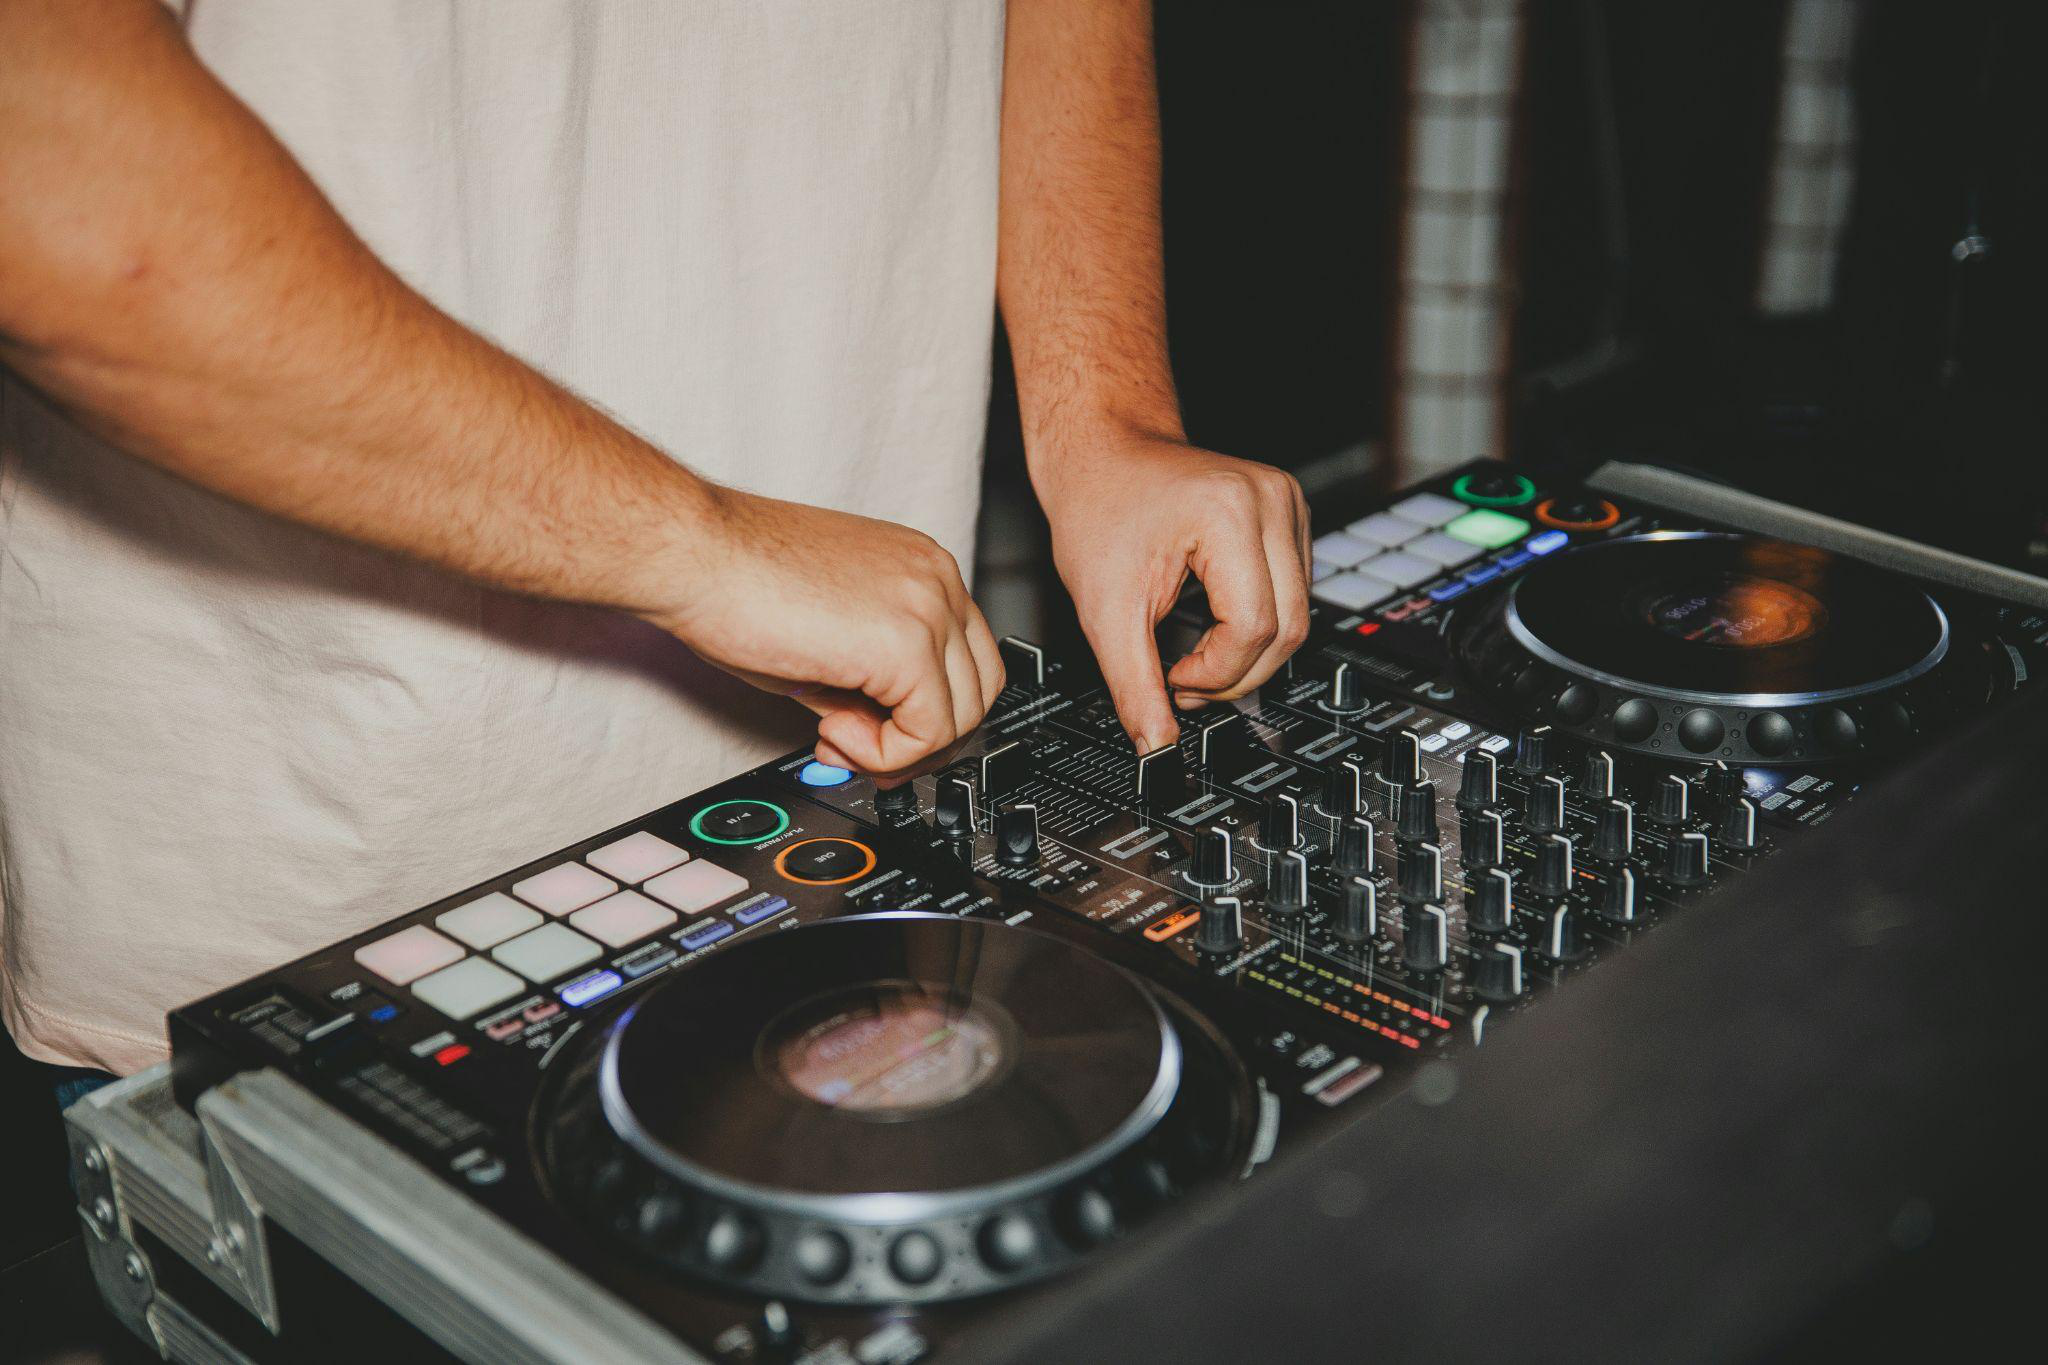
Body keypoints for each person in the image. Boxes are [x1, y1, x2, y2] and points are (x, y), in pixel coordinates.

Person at [0, 0, 1309, 1091]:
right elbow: (55, 185)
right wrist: (699, 547)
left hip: (850, 813)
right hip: (319, 864)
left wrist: (1105, 412)